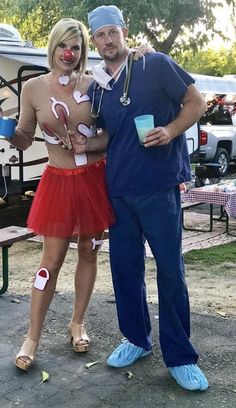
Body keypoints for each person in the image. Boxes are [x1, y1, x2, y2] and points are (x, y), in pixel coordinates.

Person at [84, 5, 209, 391]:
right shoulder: (98, 86)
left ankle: (181, 357)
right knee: (125, 270)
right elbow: (108, 138)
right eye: (100, 35)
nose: (107, 41)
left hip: (159, 186)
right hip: (118, 189)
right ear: (94, 41)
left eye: (112, 32)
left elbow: (197, 103)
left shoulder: (154, 64)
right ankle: (136, 339)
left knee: (170, 270)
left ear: (125, 31)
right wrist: (85, 143)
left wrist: (171, 131)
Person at [8, 17, 116, 371]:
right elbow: (25, 136)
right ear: (53, 46)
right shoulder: (34, 88)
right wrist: (9, 133)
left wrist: (140, 53)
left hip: (94, 180)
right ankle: (32, 337)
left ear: (83, 51)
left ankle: (77, 323)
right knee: (49, 263)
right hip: (58, 182)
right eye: (63, 46)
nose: (69, 53)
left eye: (77, 47)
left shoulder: (97, 83)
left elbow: (114, 130)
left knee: (89, 250)